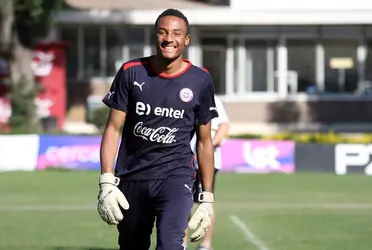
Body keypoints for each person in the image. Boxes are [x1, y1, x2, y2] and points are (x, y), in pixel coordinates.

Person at [96, 8, 219, 250]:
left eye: (176, 33)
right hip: (132, 176)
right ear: (155, 36)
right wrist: (106, 181)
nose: (169, 38)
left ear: (186, 40)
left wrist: (207, 197)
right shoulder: (131, 72)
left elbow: (205, 141)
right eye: (162, 32)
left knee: (171, 245)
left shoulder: (200, 80)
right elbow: (113, 128)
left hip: (176, 177)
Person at [184, 73, 230, 250]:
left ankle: (205, 244)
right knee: (182, 202)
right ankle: (182, 243)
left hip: (206, 162)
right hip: (185, 160)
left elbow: (224, 124)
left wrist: (214, 143)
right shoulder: (183, 95)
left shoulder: (213, 99)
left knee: (206, 201)